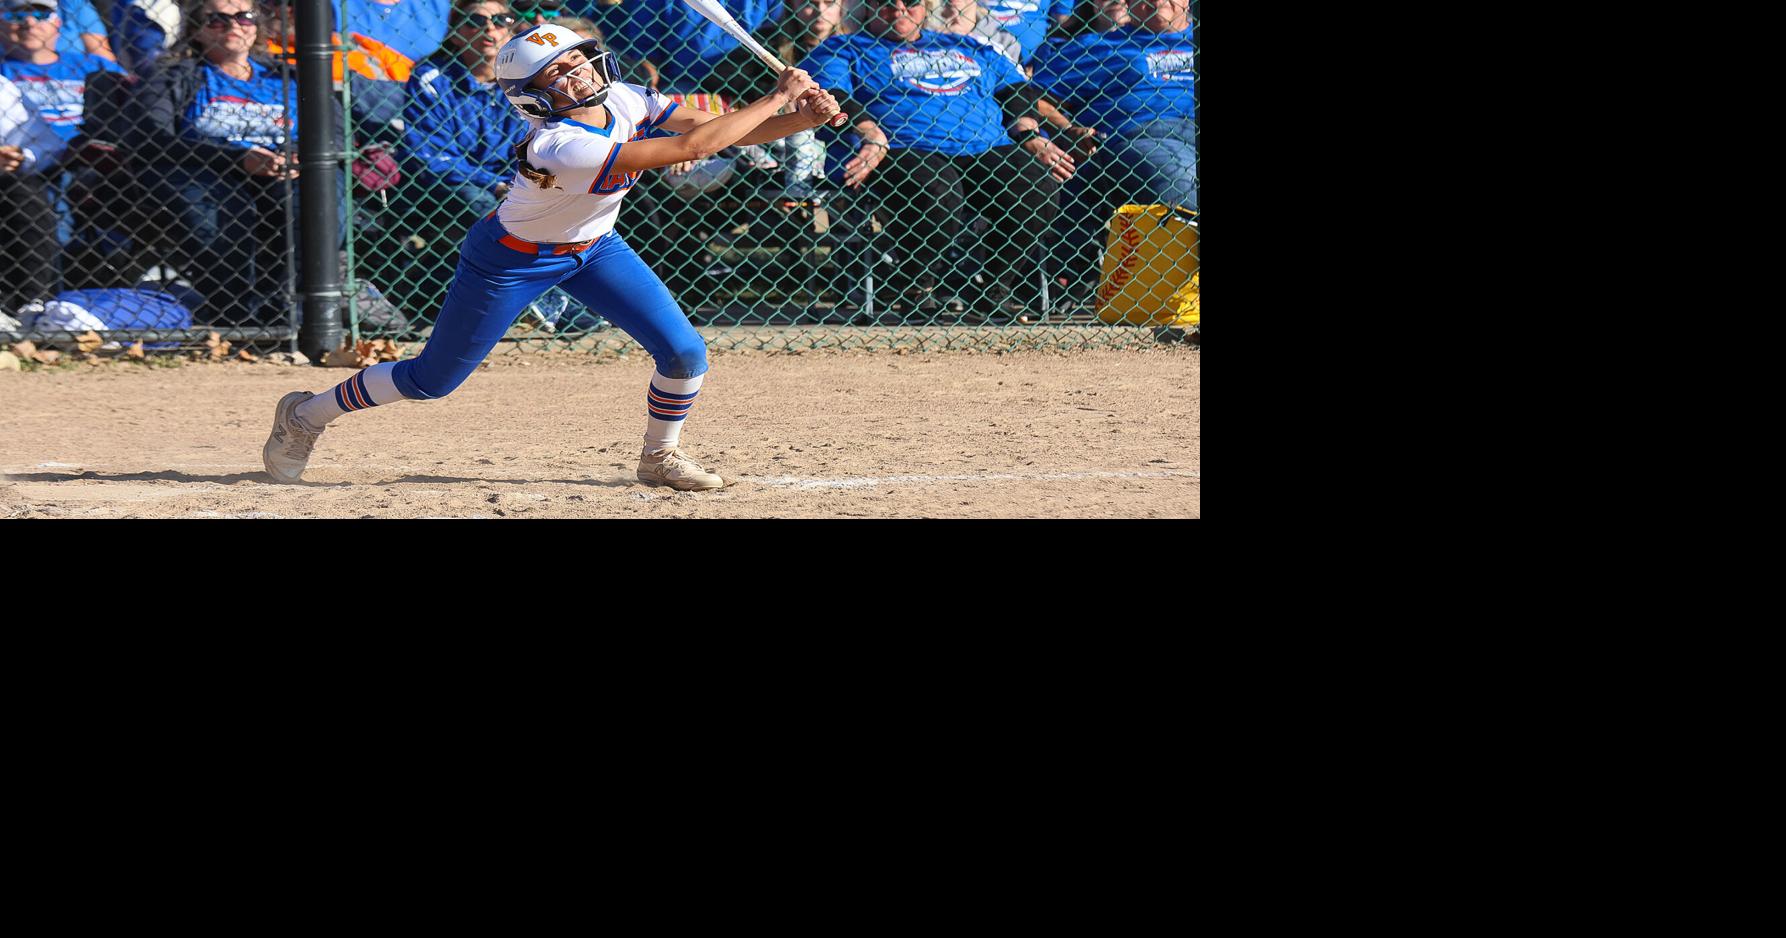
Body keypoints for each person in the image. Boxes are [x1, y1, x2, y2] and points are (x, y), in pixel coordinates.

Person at [261, 21, 841, 490]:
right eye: (557, 73)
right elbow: (691, 147)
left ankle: (658, 458)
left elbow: (717, 128)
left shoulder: (626, 97)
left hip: (596, 248)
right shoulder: (561, 145)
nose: (576, 73)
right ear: (534, 96)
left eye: (577, 59)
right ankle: (306, 415)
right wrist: (778, 96)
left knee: (685, 353)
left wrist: (799, 119)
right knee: (432, 380)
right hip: (510, 260)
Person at [802, 0, 1085, 319]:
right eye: (884, 3)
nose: (898, 10)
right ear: (866, 9)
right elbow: (833, 95)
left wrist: (1027, 131)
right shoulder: (846, 47)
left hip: (985, 146)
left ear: (925, 7)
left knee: (1038, 188)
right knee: (940, 193)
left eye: (910, 2)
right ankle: (916, 288)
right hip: (905, 146)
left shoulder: (966, 44)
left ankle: (993, 286)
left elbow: (1016, 89)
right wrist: (870, 133)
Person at [128, 0, 343, 325]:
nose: (233, 27)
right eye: (217, 20)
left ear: (257, 25)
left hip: (285, 169)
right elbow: (152, 138)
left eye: (244, 17)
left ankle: (292, 315)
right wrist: (237, 159)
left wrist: (301, 154)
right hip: (206, 170)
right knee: (222, 216)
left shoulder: (287, 76)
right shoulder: (173, 75)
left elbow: (336, 131)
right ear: (197, 29)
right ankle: (238, 317)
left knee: (315, 207)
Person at [1031, 0, 1193, 280]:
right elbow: (1035, 99)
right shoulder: (1097, 46)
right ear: (1129, 3)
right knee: (1182, 178)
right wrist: (1069, 129)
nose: (1155, 1)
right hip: (1140, 137)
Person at [0, 70, 63, 315]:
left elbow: (47, 143)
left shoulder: (3, 89)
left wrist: (19, 157)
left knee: (23, 189)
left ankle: (29, 305)